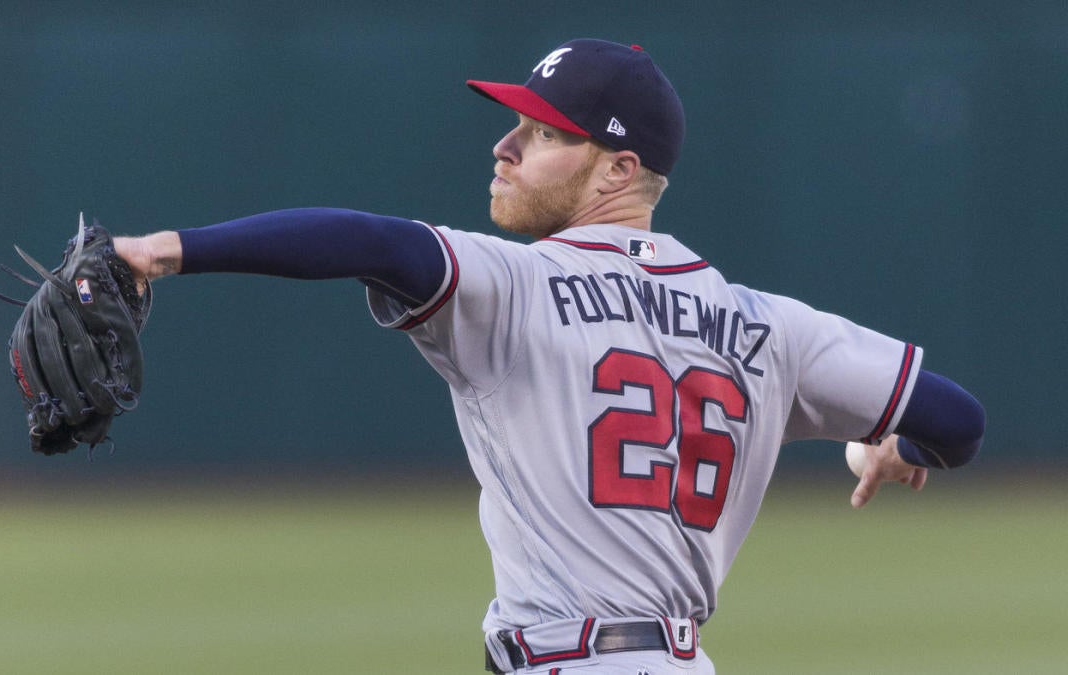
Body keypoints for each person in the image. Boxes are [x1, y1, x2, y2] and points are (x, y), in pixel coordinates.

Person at [112, 38, 985, 674]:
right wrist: (900, 447)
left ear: (616, 169)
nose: (505, 144)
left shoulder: (517, 284)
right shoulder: (772, 328)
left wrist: (166, 249)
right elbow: (957, 418)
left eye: (541, 132)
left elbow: (368, 241)